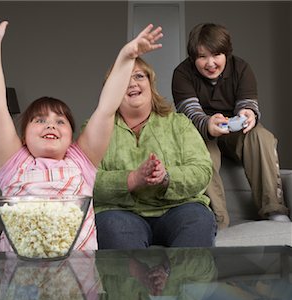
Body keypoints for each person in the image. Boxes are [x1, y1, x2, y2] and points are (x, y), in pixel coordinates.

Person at [0, 7, 163, 252]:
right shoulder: (14, 162)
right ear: (23, 136)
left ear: (72, 137)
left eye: (60, 121)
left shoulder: (81, 161)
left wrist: (126, 57)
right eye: (39, 120)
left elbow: (106, 108)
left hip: (78, 272)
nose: (51, 124)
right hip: (20, 275)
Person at [171, 23, 290, 229]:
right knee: (200, 150)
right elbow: (190, 111)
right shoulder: (182, 73)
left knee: (261, 135)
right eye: (202, 57)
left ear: (226, 53)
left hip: (237, 131)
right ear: (193, 58)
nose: (210, 63)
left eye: (216, 54)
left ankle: (274, 209)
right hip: (202, 132)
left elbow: (247, 103)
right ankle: (216, 218)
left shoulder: (242, 68)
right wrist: (208, 124)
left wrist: (248, 113)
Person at [93, 57, 216, 249]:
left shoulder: (179, 123)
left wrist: (166, 177)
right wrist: (132, 179)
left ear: (150, 83)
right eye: (124, 79)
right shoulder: (96, 129)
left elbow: (202, 171)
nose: (132, 83)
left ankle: (183, 281)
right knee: (112, 226)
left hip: (180, 208)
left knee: (198, 220)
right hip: (119, 212)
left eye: (139, 76)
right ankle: (138, 279)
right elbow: (85, 179)